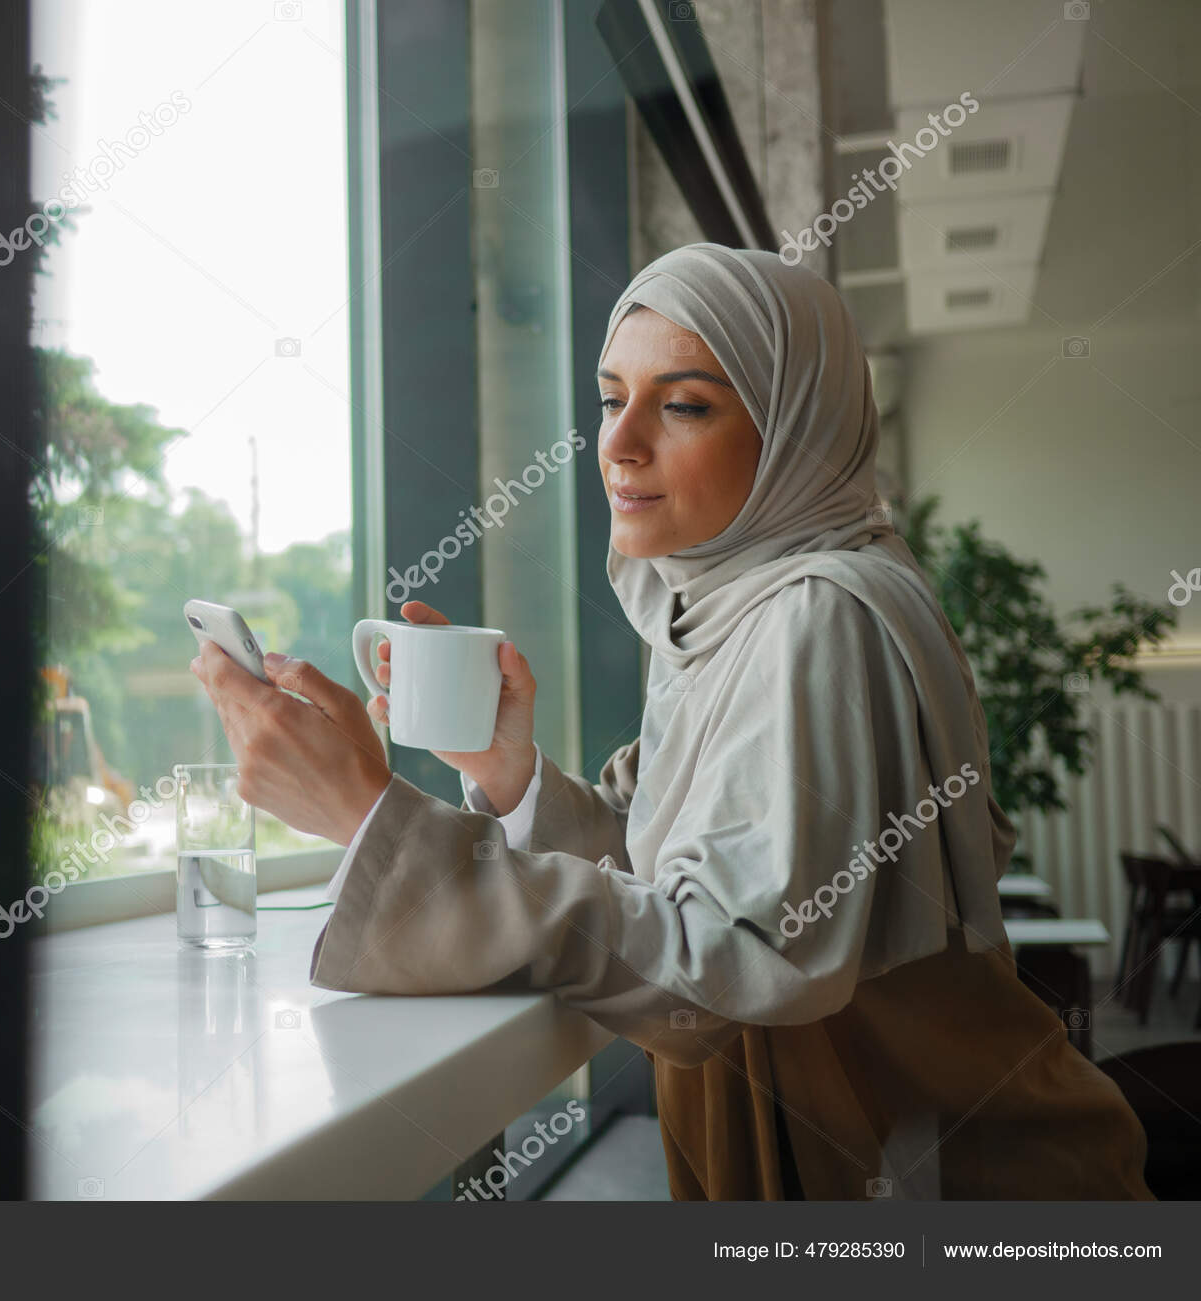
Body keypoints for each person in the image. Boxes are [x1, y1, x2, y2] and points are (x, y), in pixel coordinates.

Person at [191, 243, 1151, 1200]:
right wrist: (509, 773)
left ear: (793, 432)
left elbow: (730, 958)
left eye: (683, 404)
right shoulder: (727, 608)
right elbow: (689, 860)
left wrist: (370, 815)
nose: (616, 443)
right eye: (612, 398)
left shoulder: (820, 613)